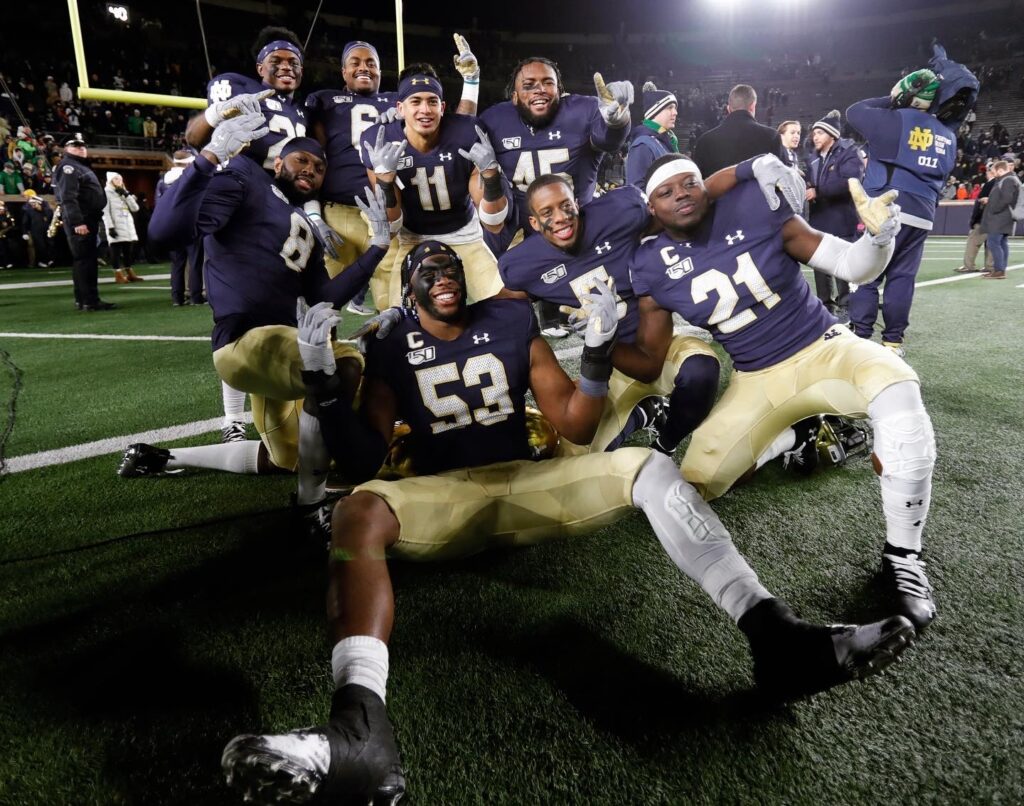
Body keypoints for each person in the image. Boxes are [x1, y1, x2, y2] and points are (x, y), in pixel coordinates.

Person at [220, 240, 915, 805]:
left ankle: (774, 636)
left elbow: (576, 423)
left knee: (649, 467)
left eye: (451, 267)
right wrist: (320, 381)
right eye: (427, 270)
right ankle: (360, 728)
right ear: (406, 289)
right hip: (446, 496)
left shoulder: (512, 321)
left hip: (532, 482)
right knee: (357, 510)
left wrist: (593, 358)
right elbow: (366, 455)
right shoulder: (391, 344)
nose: (444, 277)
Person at [624, 153, 937, 632]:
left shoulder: (754, 207)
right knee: (694, 487)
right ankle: (801, 436)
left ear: (705, 185)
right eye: (666, 191)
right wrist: (601, 345)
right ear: (652, 208)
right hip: (755, 379)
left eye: (690, 183)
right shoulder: (648, 264)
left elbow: (854, 267)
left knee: (899, 395)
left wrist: (879, 237)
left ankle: (904, 558)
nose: (681, 194)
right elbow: (650, 356)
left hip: (823, 349)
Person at [130, 111, 391, 515]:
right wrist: (210, 157)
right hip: (245, 340)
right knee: (342, 364)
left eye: (320, 167)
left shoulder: (303, 219)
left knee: (286, 458)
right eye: (302, 159)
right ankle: (311, 506)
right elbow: (163, 234)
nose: (311, 170)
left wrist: (377, 248)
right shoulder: (247, 178)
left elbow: (325, 297)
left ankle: (163, 457)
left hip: (279, 348)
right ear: (279, 161)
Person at [305, 36, 482, 283]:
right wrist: (312, 211)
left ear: (380, 70)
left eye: (371, 63)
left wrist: (471, 82)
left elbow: (457, 130)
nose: (364, 67)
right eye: (355, 62)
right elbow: (311, 157)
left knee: (391, 292)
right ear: (343, 71)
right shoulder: (325, 101)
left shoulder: (402, 100)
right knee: (330, 287)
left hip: (391, 211)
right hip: (339, 209)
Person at [479, 57, 634, 336]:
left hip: (577, 219)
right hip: (523, 225)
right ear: (514, 97)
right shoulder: (495, 119)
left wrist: (618, 120)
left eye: (547, 82)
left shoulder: (582, 110)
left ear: (560, 91)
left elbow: (609, 141)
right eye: (529, 85)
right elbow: (460, 139)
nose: (539, 89)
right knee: (502, 278)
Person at [846, 43, 979, 356]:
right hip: (923, 214)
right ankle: (893, 342)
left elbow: (855, 111)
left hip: (886, 207)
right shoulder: (948, 133)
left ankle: (861, 337)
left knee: (867, 276)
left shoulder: (894, 121)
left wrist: (893, 100)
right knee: (902, 279)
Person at [359, 64, 510, 311]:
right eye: (415, 101)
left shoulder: (466, 132)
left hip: (465, 234)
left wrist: (491, 177)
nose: (424, 110)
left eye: (432, 101)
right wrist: (385, 181)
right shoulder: (379, 139)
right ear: (400, 109)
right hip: (412, 238)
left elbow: (494, 223)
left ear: (442, 107)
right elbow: (393, 227)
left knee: (503, 303)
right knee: (398, 315)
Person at [805, 110, 865, 323]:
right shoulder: (813, 157)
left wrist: (817, 191)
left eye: (820, 132)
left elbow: (851, 182)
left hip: (842, 219)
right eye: (814, 133)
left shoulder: (849, 153)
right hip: (819, 219)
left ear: (833, 134)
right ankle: (825, 307)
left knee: (842, 268)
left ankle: (847, 308)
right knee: (821, 267)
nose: (815, 137)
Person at [53, 133, 116, 311]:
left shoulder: (77, 166)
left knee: (84, 260)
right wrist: (77, 222)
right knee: (85, 260)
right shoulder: (69, 167)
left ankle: (84, 299)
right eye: (76, 146)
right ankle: (90, 300)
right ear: (66, 149)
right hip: (83, 219)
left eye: (83, 145)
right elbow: (68, 197)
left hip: (87, 218)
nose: (81, 148)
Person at [692, 84, 785, 177]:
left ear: (728, 108)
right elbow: (782, 179)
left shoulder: (705, 141)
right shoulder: (771, 136)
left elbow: (698, 183)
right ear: (752, 106)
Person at [157, 150, 207, 307]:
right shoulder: (190, 177)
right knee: (195, 262)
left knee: (177, 263)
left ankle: (177, 297)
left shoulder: (162, 181)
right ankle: (195, 296)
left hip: (170, 225)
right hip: (189, 224)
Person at [625, 82, 679, 188]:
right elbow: (636, 191)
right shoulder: (643, 144)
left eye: (675, 108)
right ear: (655, 111)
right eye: (670, 107)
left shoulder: (664, 141)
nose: (675, 112)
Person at [978, 158, 1020, 279]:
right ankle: (1000, 269)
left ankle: (999, 270)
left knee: (993, 242)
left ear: (1000, 170)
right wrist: (990, 201)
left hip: (1000, 217)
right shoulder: (1009, 179)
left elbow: (1006, 199)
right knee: (1002, 243)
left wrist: (993, 207)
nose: (992, 174)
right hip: (1005, 217)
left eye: (994, 171)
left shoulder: (1007, 180)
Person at [954, 162, 996, 273]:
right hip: (994, 219)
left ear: (991, 172)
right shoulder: (999, 183)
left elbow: (981, 203)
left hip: (984, 219)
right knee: (990, 244)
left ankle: (969, 266)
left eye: (987, 171)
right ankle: (990, 266)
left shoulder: (990, 184)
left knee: (973, 242)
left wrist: (974, 219)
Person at [102, 172, 143, 283]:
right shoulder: (106, 192)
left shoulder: (123, 192)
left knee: (128, 251)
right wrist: (110, 227)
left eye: (120, 179)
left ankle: (129, 272)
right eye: (116, 179)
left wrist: (126, 195)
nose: (119, 181)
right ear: (110, 180)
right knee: (115, 251)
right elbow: (105, 211)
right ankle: (118, 274)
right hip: (115, 225)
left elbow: (135, 208)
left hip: (127, 225)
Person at [20, 193, 53, 267]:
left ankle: (50, 260)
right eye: (31, 203)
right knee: (41, 246)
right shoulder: (29, 211)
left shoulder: (48, 210)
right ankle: (43, 261)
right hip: (36, 232)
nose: (32, 205)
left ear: (39, 203)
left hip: (48, 231)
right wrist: (25, 232)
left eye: (34, 203)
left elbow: (51, 220)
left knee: (50, 245)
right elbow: (25, 223)